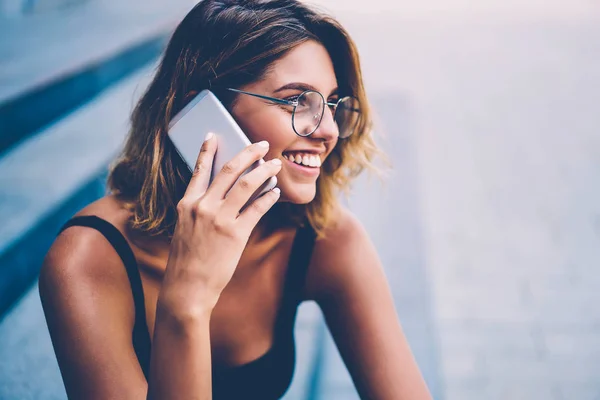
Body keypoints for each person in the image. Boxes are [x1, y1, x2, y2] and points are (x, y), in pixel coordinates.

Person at [38, 0, 432, 399]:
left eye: (332, 105)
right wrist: (187, 303)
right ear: (199, 110)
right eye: (298, 102)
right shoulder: (89, 259)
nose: (328, 129)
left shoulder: (325, 237)